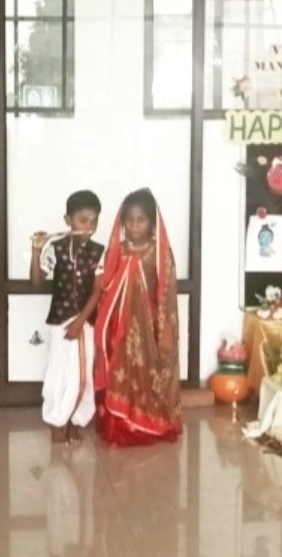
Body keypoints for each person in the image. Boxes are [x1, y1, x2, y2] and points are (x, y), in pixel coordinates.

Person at [93, 188, 181, 446]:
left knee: (147, 375)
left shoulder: (159, 253)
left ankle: (149, 423)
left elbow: (167, 292)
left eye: (140, 220)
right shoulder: (118, 250)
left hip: (148, 328)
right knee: (120, 373)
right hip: (119, 326)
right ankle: (120, 425)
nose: (134, 226)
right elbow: (105, 285)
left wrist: (164, 330)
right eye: (129, 221)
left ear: (152, 222)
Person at [31, 190, 104, 444]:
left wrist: (80, 322)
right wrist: (36, 250)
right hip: (59, 321)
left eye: (94, 220)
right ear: (67, 220)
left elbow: (97, 290)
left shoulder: (99, 251)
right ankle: (55, 421)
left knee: (83, 373)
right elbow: (36, 282)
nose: (89, 226)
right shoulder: (56, 248)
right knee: (58, 371)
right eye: (83, 220)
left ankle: (75, 421)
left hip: (85, 322)